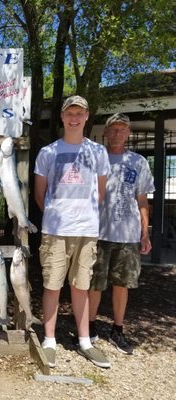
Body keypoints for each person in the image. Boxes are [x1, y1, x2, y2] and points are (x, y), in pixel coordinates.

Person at [34, 95, 111, 369]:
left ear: (87, 116)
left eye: (79, 113)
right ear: (63, 117)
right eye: (70, 113)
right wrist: (59, 214)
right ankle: (50, 339)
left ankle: (85, 341)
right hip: (55, 229)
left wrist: (82, 214)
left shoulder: (98, 152)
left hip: (87, 230)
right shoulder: (48, 153)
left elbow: (99, 193)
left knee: (82, 285)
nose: (74, 118)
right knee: (52, 284)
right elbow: (40, 195)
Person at [89, 113, 155, 355]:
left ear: (128, 133)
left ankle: (118, 329)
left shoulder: (138, 162)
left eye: (122, 129)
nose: (117, 133)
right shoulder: (96, 159)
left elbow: (142, 199)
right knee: (94, 284)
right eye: (113, 129)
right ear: (106, 132)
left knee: (121, 285)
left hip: (127, 235)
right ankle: (90, 326)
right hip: (97, 233)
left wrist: (144, 232)